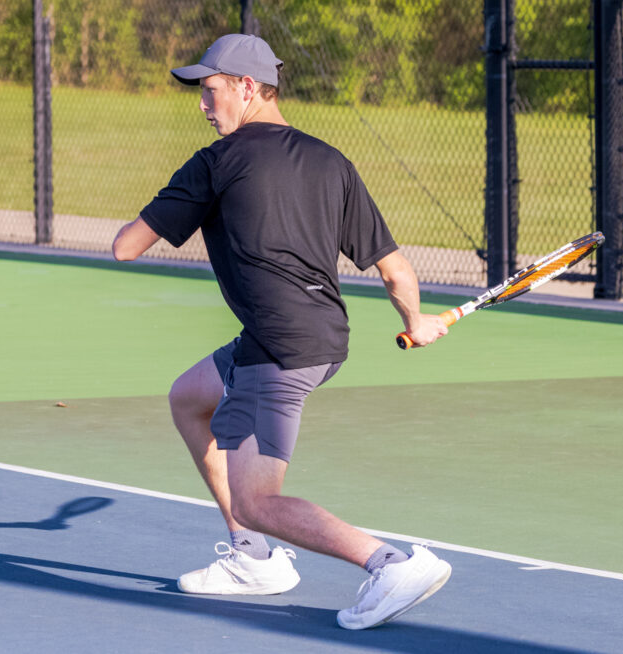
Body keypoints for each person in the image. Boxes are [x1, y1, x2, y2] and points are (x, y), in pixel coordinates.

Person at [111, 33, 452, 630]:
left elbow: (126, 247)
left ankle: (391, 564)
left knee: (257, 501)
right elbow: (395, 270)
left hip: (280, 351)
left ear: (247, 87)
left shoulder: (215, 163)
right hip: (319, 336)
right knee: (189, 397)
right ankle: (252, 560)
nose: (203, 104)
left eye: (211, 90)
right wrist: (415, 323)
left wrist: (186, 199)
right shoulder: (332, 162)